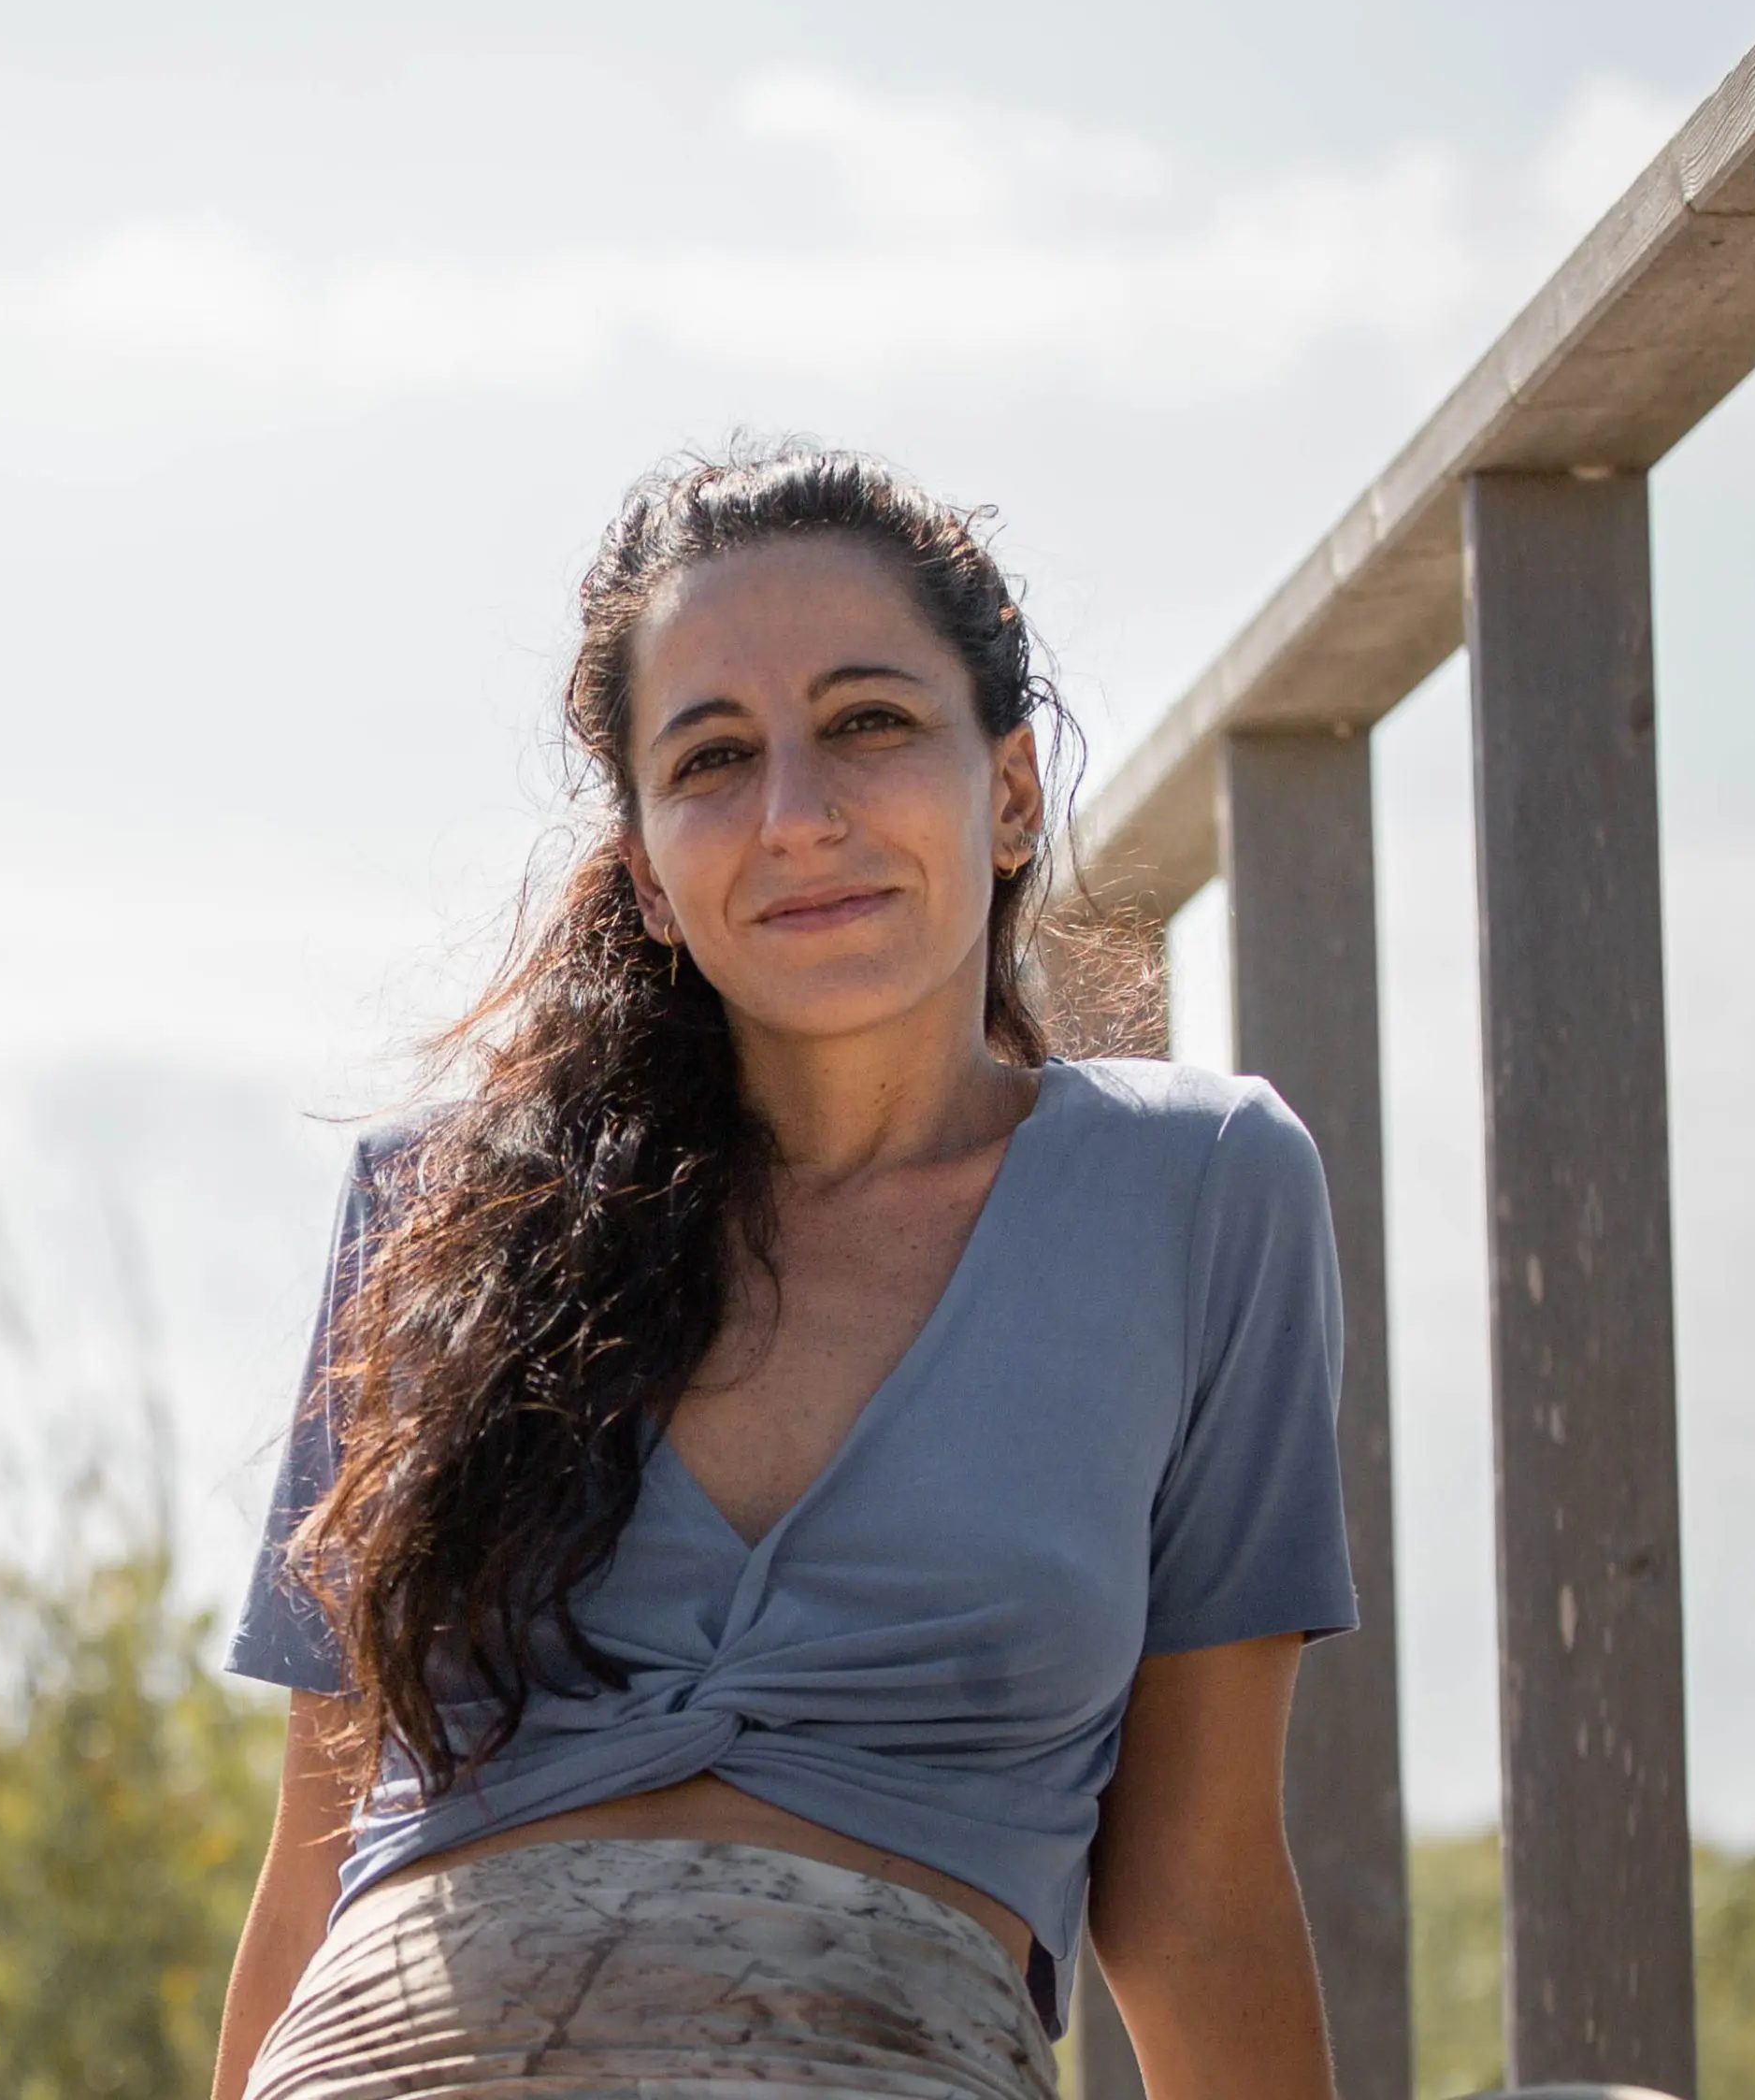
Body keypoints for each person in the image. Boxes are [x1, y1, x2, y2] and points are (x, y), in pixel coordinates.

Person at [212, 447, 1357, 2100]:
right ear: (648, 872)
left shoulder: (1196, 1188)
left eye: (868, 723)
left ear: (1011, 792)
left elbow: (1197, 1892)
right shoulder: (437, 1209)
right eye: (714, 758)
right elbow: (312, 1864)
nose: (796, 817)